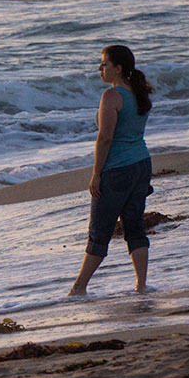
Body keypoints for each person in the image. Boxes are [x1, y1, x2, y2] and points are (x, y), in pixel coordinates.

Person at [68, 44, 154, 296]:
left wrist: (96, 174)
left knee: (99, 232)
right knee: (135, 227)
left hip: (117, 170)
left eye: (104, 64)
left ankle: (79, 288)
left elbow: (105, 138)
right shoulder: (138, 93)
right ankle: (141, 285)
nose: (100, 68)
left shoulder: (111, 96)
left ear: (118, 68)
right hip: (141, 165)